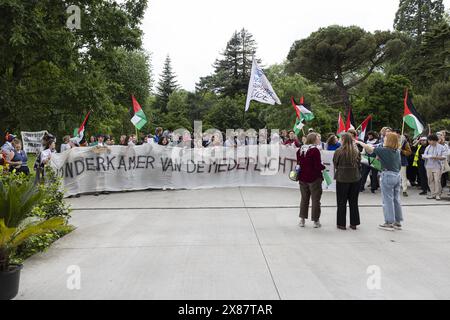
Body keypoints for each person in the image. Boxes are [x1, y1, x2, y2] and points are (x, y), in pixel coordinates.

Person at [356, 133, 403, 231]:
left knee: (387, 200)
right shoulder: (397, 151)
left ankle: (389, 222)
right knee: (396, 199)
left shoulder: (384, 150)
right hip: (397, 175)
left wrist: (359, 142)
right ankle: (397, 222)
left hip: (387, 175)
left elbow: (369, 148)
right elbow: (399, 165)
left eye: (385, 137)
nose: (384, 138)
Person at [297, 133, 326, 228]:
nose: (319, 139)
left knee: (304, 199)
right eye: (318, 138)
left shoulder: (300, 150)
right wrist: (324, 166)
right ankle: (316, 221)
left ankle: (302, 220)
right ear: (313, 139)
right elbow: (317, 166)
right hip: (314, 178)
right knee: (315, 200)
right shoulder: (315, 150)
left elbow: (299, 163)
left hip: (302, 178)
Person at [333, 133, 361, 230]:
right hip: (355, 178)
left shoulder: (339, 151)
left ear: (343, 140)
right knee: (354, 202)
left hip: (342, 178)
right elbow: (359, 164)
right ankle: (354, 223)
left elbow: (335, 163)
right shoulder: (356, 151)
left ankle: (341, 224)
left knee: (341, 202)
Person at [423, 134, 447, 201]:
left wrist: (435, 157)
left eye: (429, 140)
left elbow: (444, 157)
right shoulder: (428, 147)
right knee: (430, 180)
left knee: (437, 180)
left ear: (434, 140)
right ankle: (432, 193)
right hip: (428, 166)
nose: (429, 141)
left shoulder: (441, 147)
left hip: (437, 166)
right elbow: (425, 155)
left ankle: (437, 194)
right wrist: (424, 157)